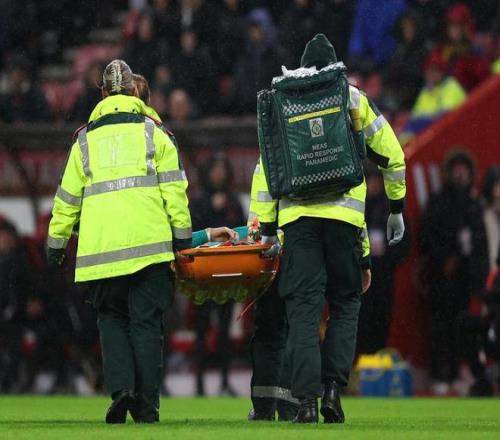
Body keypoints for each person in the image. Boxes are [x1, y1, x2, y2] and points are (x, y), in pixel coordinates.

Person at [251, 34, 406, 423]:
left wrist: (266, 230)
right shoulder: (351, 98)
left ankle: (305, 403)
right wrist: (396, 208)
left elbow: (267, 172)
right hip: (345, 225)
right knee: (345, 305)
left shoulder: (283, 102)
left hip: (298, 225)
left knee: (303, 313)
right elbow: (393, 155)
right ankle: (333, 392)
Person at [46, 59, 192, 423]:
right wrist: (182, 240)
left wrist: (56, 243)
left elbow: (66, 199)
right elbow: (175, 193)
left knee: (111, 320)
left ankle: (121, 389)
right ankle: (147, 407)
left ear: (102, 93)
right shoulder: (156, 134)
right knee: (146, 325)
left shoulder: (83, 141)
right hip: (149, 249)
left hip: (101, 252)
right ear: (134, 90)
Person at [419, 149, 489, 395]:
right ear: (448, 173)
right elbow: (426, 238)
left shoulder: (475, 204)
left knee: (463, 329)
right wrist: (444, 260)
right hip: (440, 278)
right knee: (439, 328)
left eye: (464, 169)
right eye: (456, 169)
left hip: (465, 280)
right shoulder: (437, 202)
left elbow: (479, 243)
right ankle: (440, 375)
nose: (460, 174)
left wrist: (475, 274)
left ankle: (460, 372)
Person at [190, 155, 245, 396]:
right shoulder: (198, 200)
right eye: (215, 169)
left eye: (222, 169)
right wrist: (211, 209)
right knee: (201, 330)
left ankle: (224, 381)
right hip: (203, 275)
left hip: (227, 274)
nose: (219, 174)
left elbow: (242, 232)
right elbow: (191, 233)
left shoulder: (233, 201)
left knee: (224, 331)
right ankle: (199, 384)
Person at [400, 50, 466, 143]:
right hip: (431, 137)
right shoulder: (426, 91)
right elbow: (414, 119)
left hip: (453, 135)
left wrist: (419, 125)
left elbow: (445, 118)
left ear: (442, 71)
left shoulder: (451, 86)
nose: (431, 73)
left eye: (435, 70)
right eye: (429, 70)